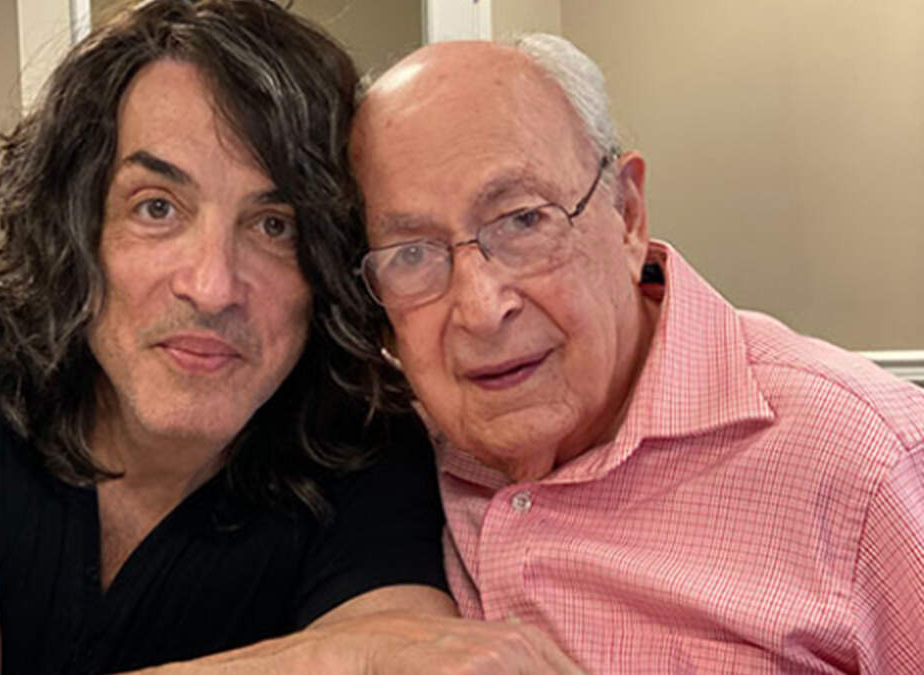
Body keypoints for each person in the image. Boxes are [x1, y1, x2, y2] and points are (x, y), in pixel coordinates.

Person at [0, 2, 584, 673]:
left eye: (275, 225)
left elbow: (413, 657)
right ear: (78, 226)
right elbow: (376, 656)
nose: (212, 285)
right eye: (157, 208)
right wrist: (329, 657)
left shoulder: (358, 440)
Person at [346, 36, 924, 672]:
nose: (481, 310)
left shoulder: (872, 460)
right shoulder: (379, 454)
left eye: (524, 221)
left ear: (627, 213)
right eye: (412, 254)